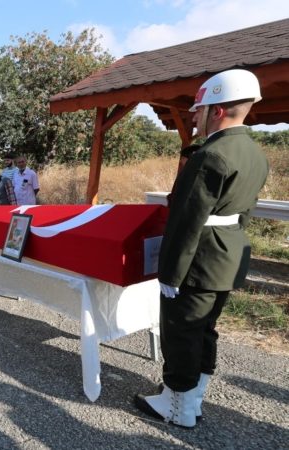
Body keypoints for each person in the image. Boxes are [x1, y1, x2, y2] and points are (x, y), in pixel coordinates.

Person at [134, 69, 269, 428]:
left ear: (218, 111)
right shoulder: (255, 153)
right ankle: (191, 401)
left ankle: (176, 408)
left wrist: (170, 272)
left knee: (181, 334)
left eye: (200, 109)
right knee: (205, 330)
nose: (195, 115)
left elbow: (186, 219)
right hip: (224, 258)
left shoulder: (211, 155)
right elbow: (243, 214)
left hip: (196, 261)